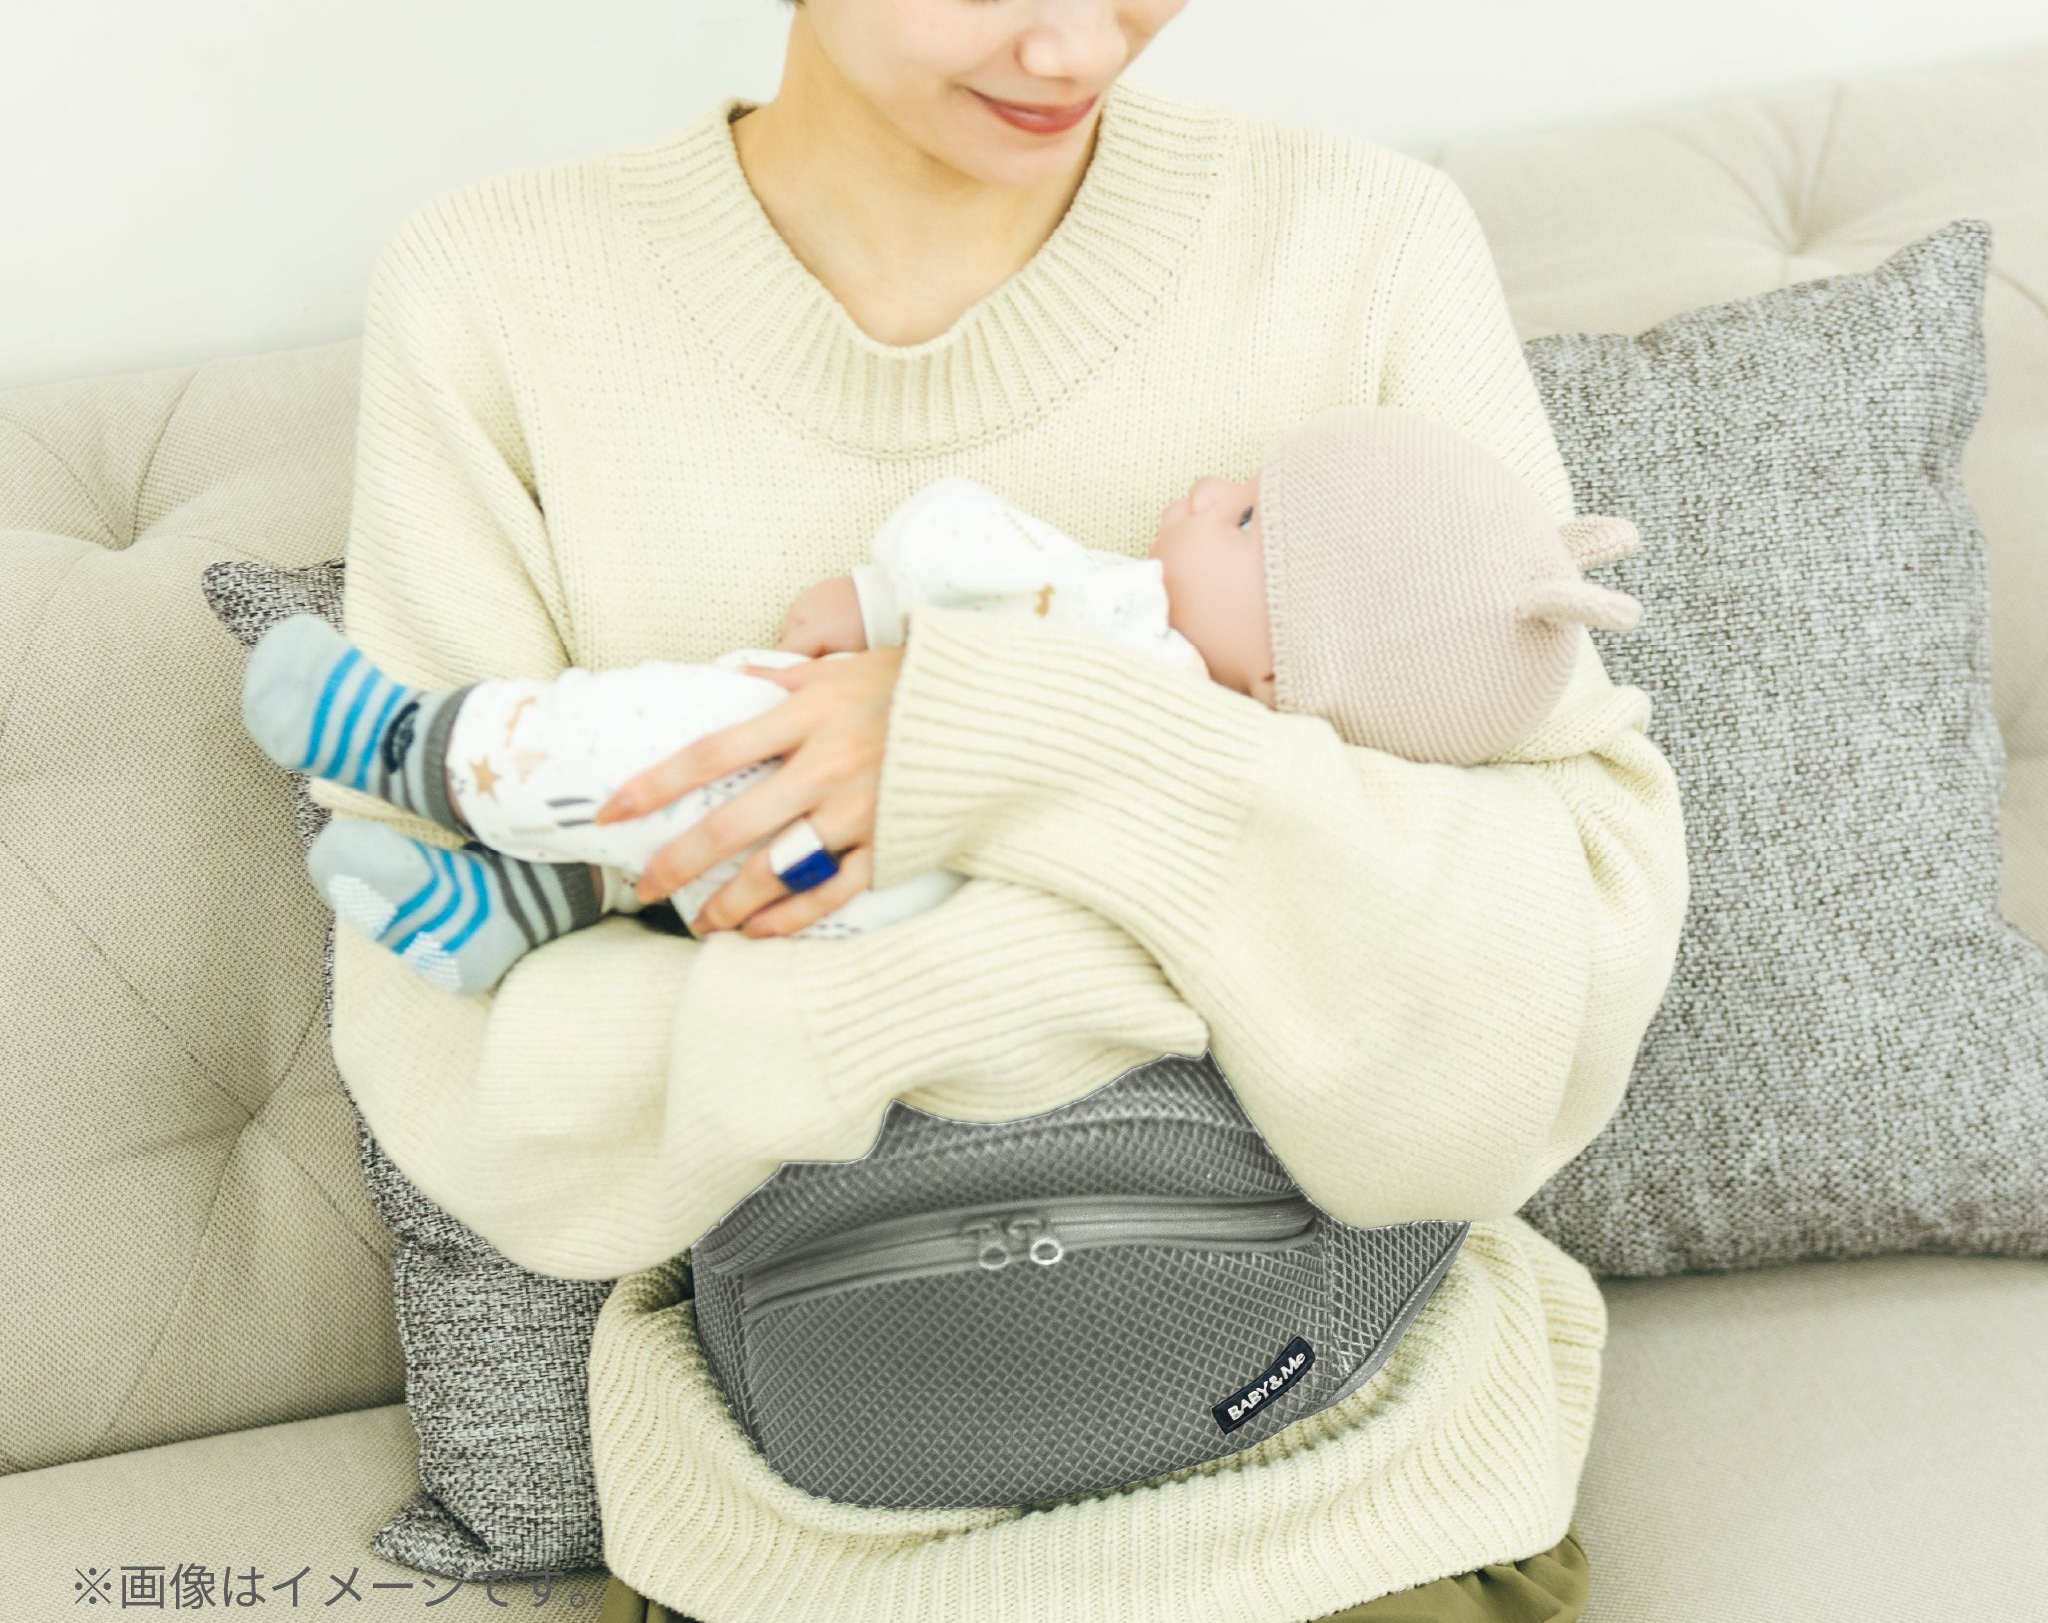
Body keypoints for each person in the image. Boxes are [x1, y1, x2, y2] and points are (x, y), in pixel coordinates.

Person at [309, 0, 1691, 1623]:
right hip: (810, 1541)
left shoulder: (1358, 246)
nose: (1078, 39)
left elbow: (1533, 1001)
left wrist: (1000, 748)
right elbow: (475, 1080)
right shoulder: (501, 307)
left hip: (1345, 1502)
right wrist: (1054, 971)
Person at [248, 410, 1645, 994]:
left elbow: (963, 548)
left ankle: (416, 746)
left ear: (1287, 674)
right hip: (852, 905)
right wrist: (876, 627)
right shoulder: (1239, 765)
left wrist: (882, 602)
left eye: (1248, 515)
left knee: (679, 732)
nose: (1211, 485)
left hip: (854, 878)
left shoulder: (1130, 629)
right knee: (694, 827)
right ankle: (524, 911)